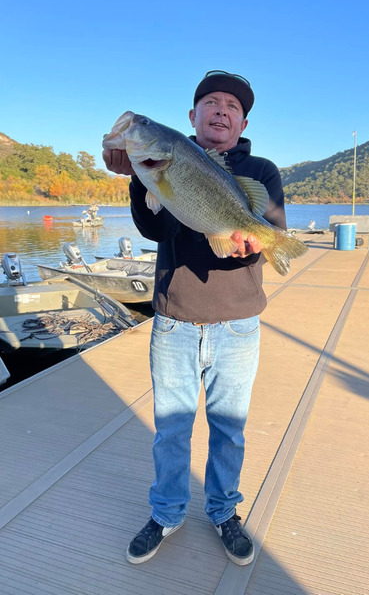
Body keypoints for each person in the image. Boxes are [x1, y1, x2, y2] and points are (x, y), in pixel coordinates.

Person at [102, 70, 287, 566]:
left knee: (229, 430)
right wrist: (136, 177)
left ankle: (224, 512)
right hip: (174, 322)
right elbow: (154, 228)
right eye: (211, 102)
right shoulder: (169, 158)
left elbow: (268, 229)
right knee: (171, 430)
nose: (221, 109)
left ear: (242, 122)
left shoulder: (262, 171)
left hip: (238, 325)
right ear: (192, 116)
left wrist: (252, 245)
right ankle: (166, 513)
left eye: (232, 105)